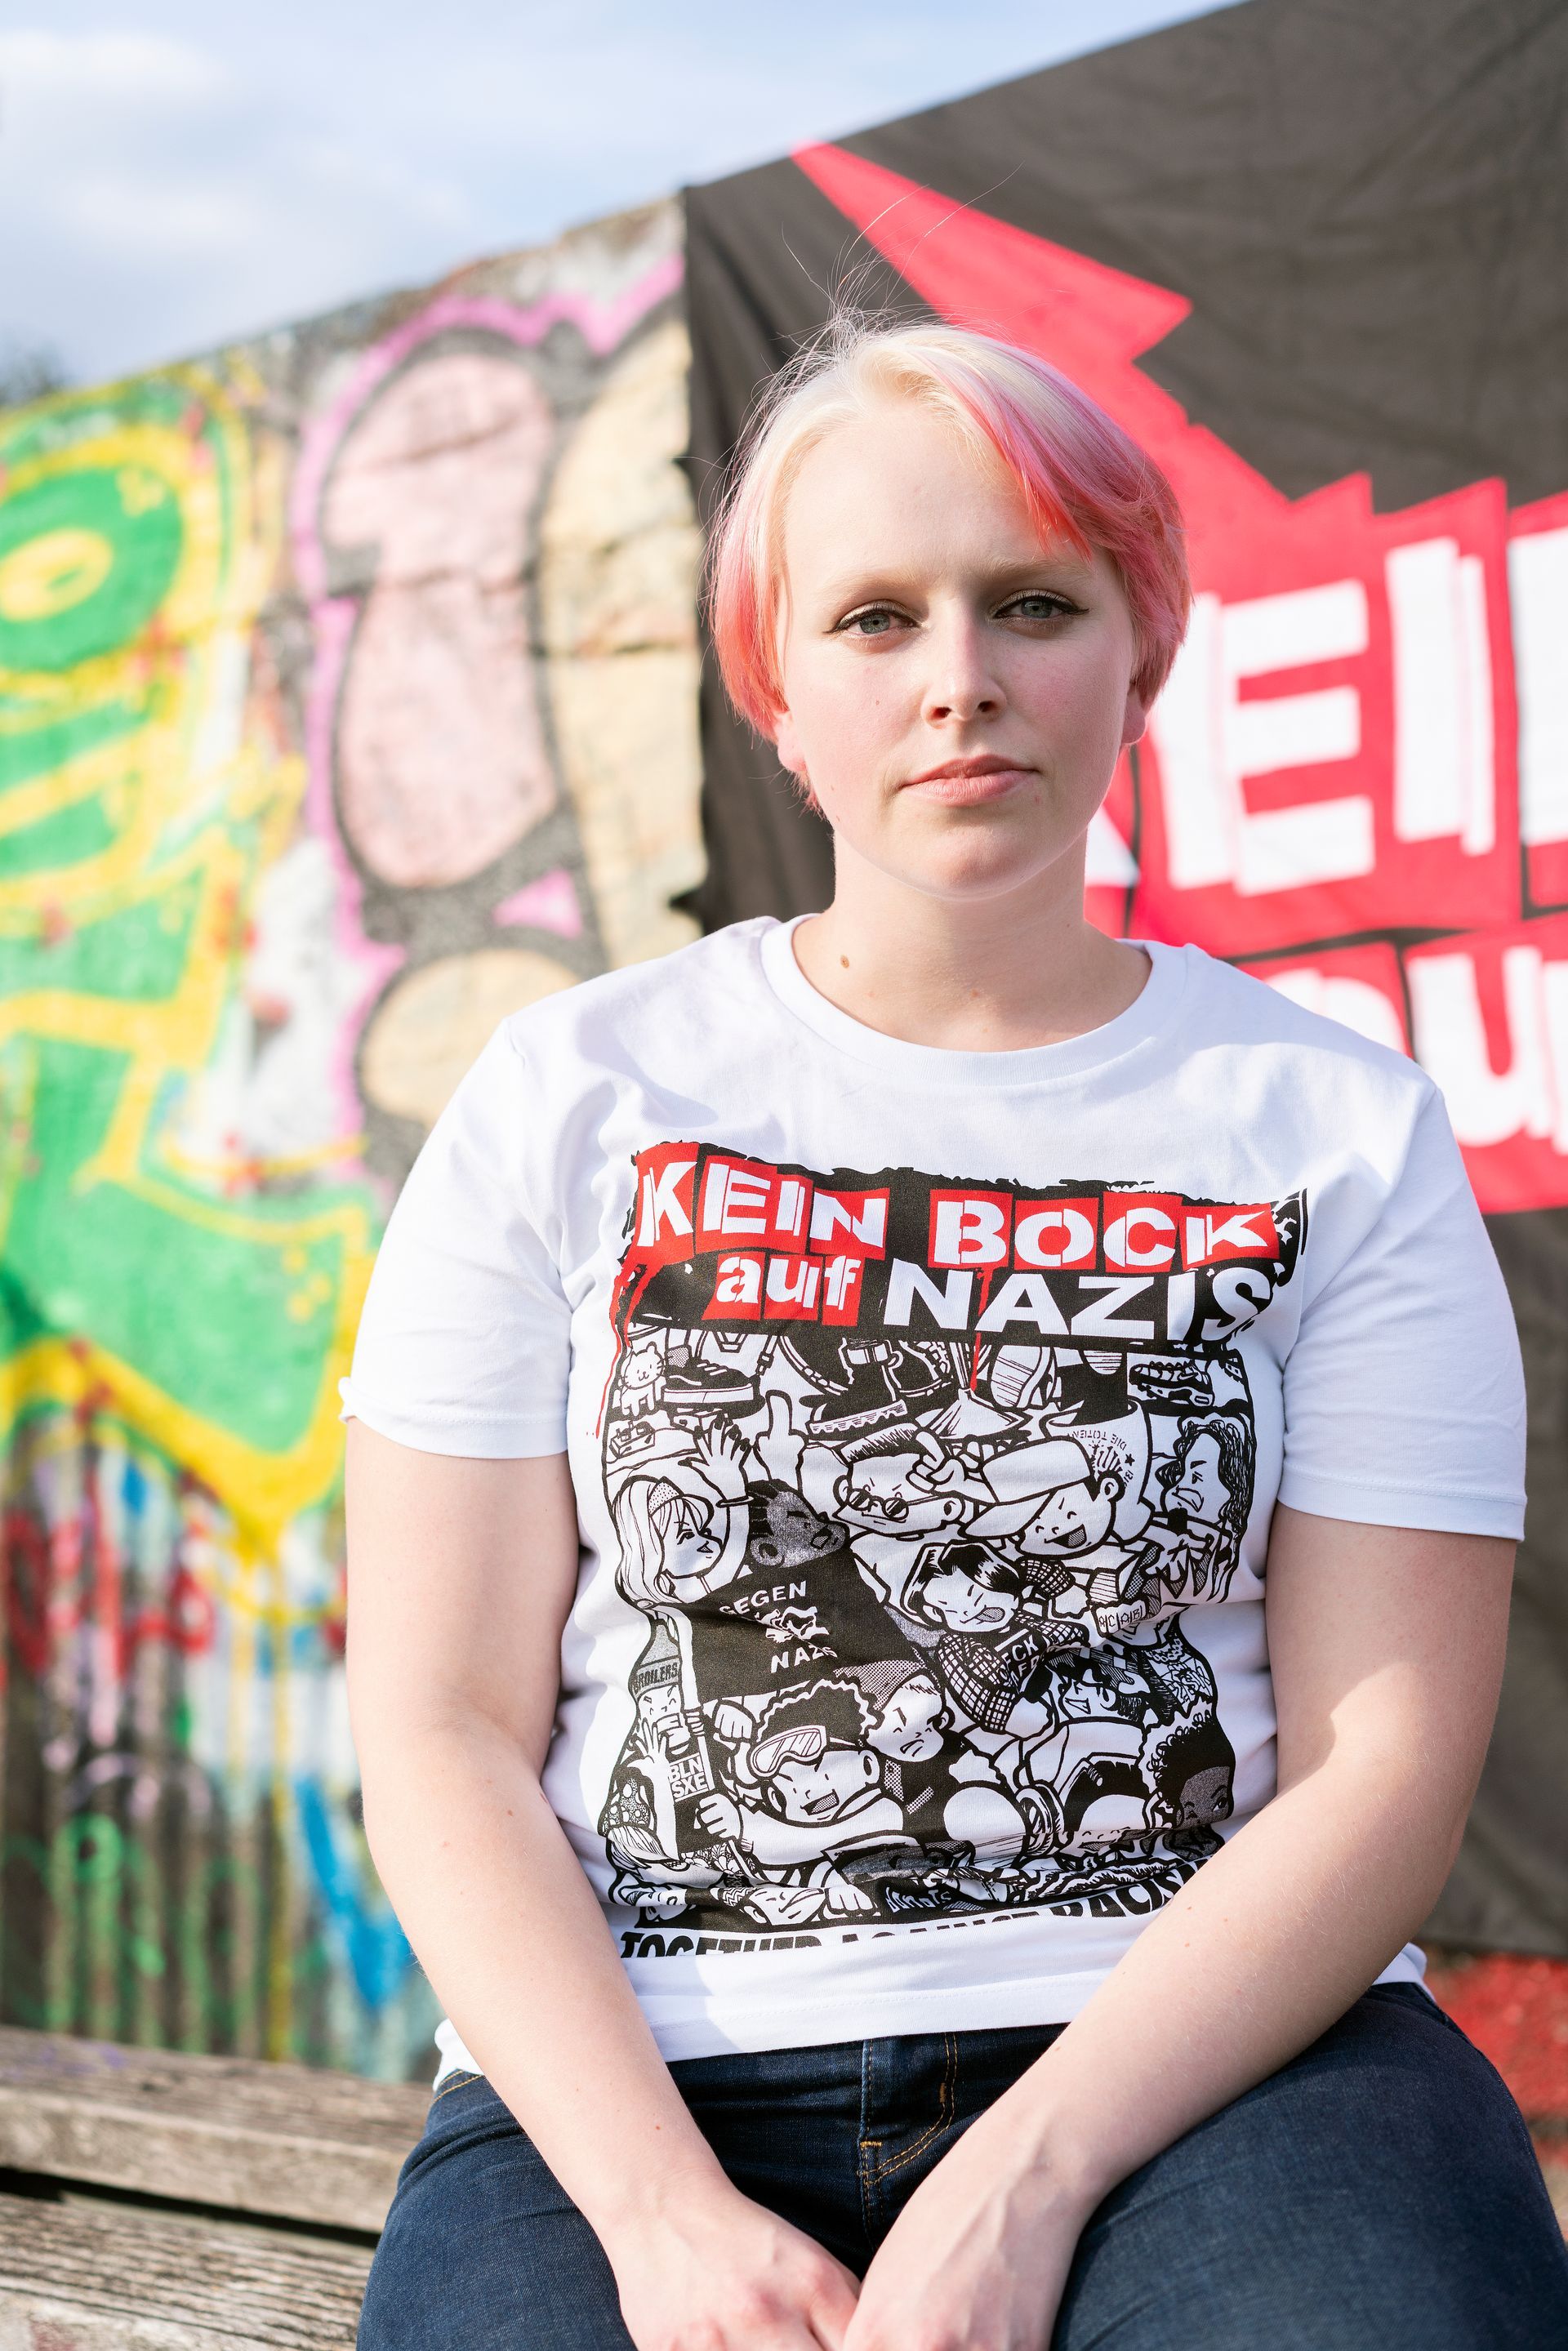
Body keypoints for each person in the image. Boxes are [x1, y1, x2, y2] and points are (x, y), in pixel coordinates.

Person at [343, 314, 1568, 2350]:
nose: (961, 680)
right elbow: (441, 1727)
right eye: (875, 619)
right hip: (640, 2080)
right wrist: (658, 2222)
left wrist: (1036, 2172)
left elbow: (1388, 1759)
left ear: (1139, 657)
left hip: (1228, 2068)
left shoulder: (1337, 1123)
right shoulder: (569, 1094)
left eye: (1032, 603)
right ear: (778, 695)